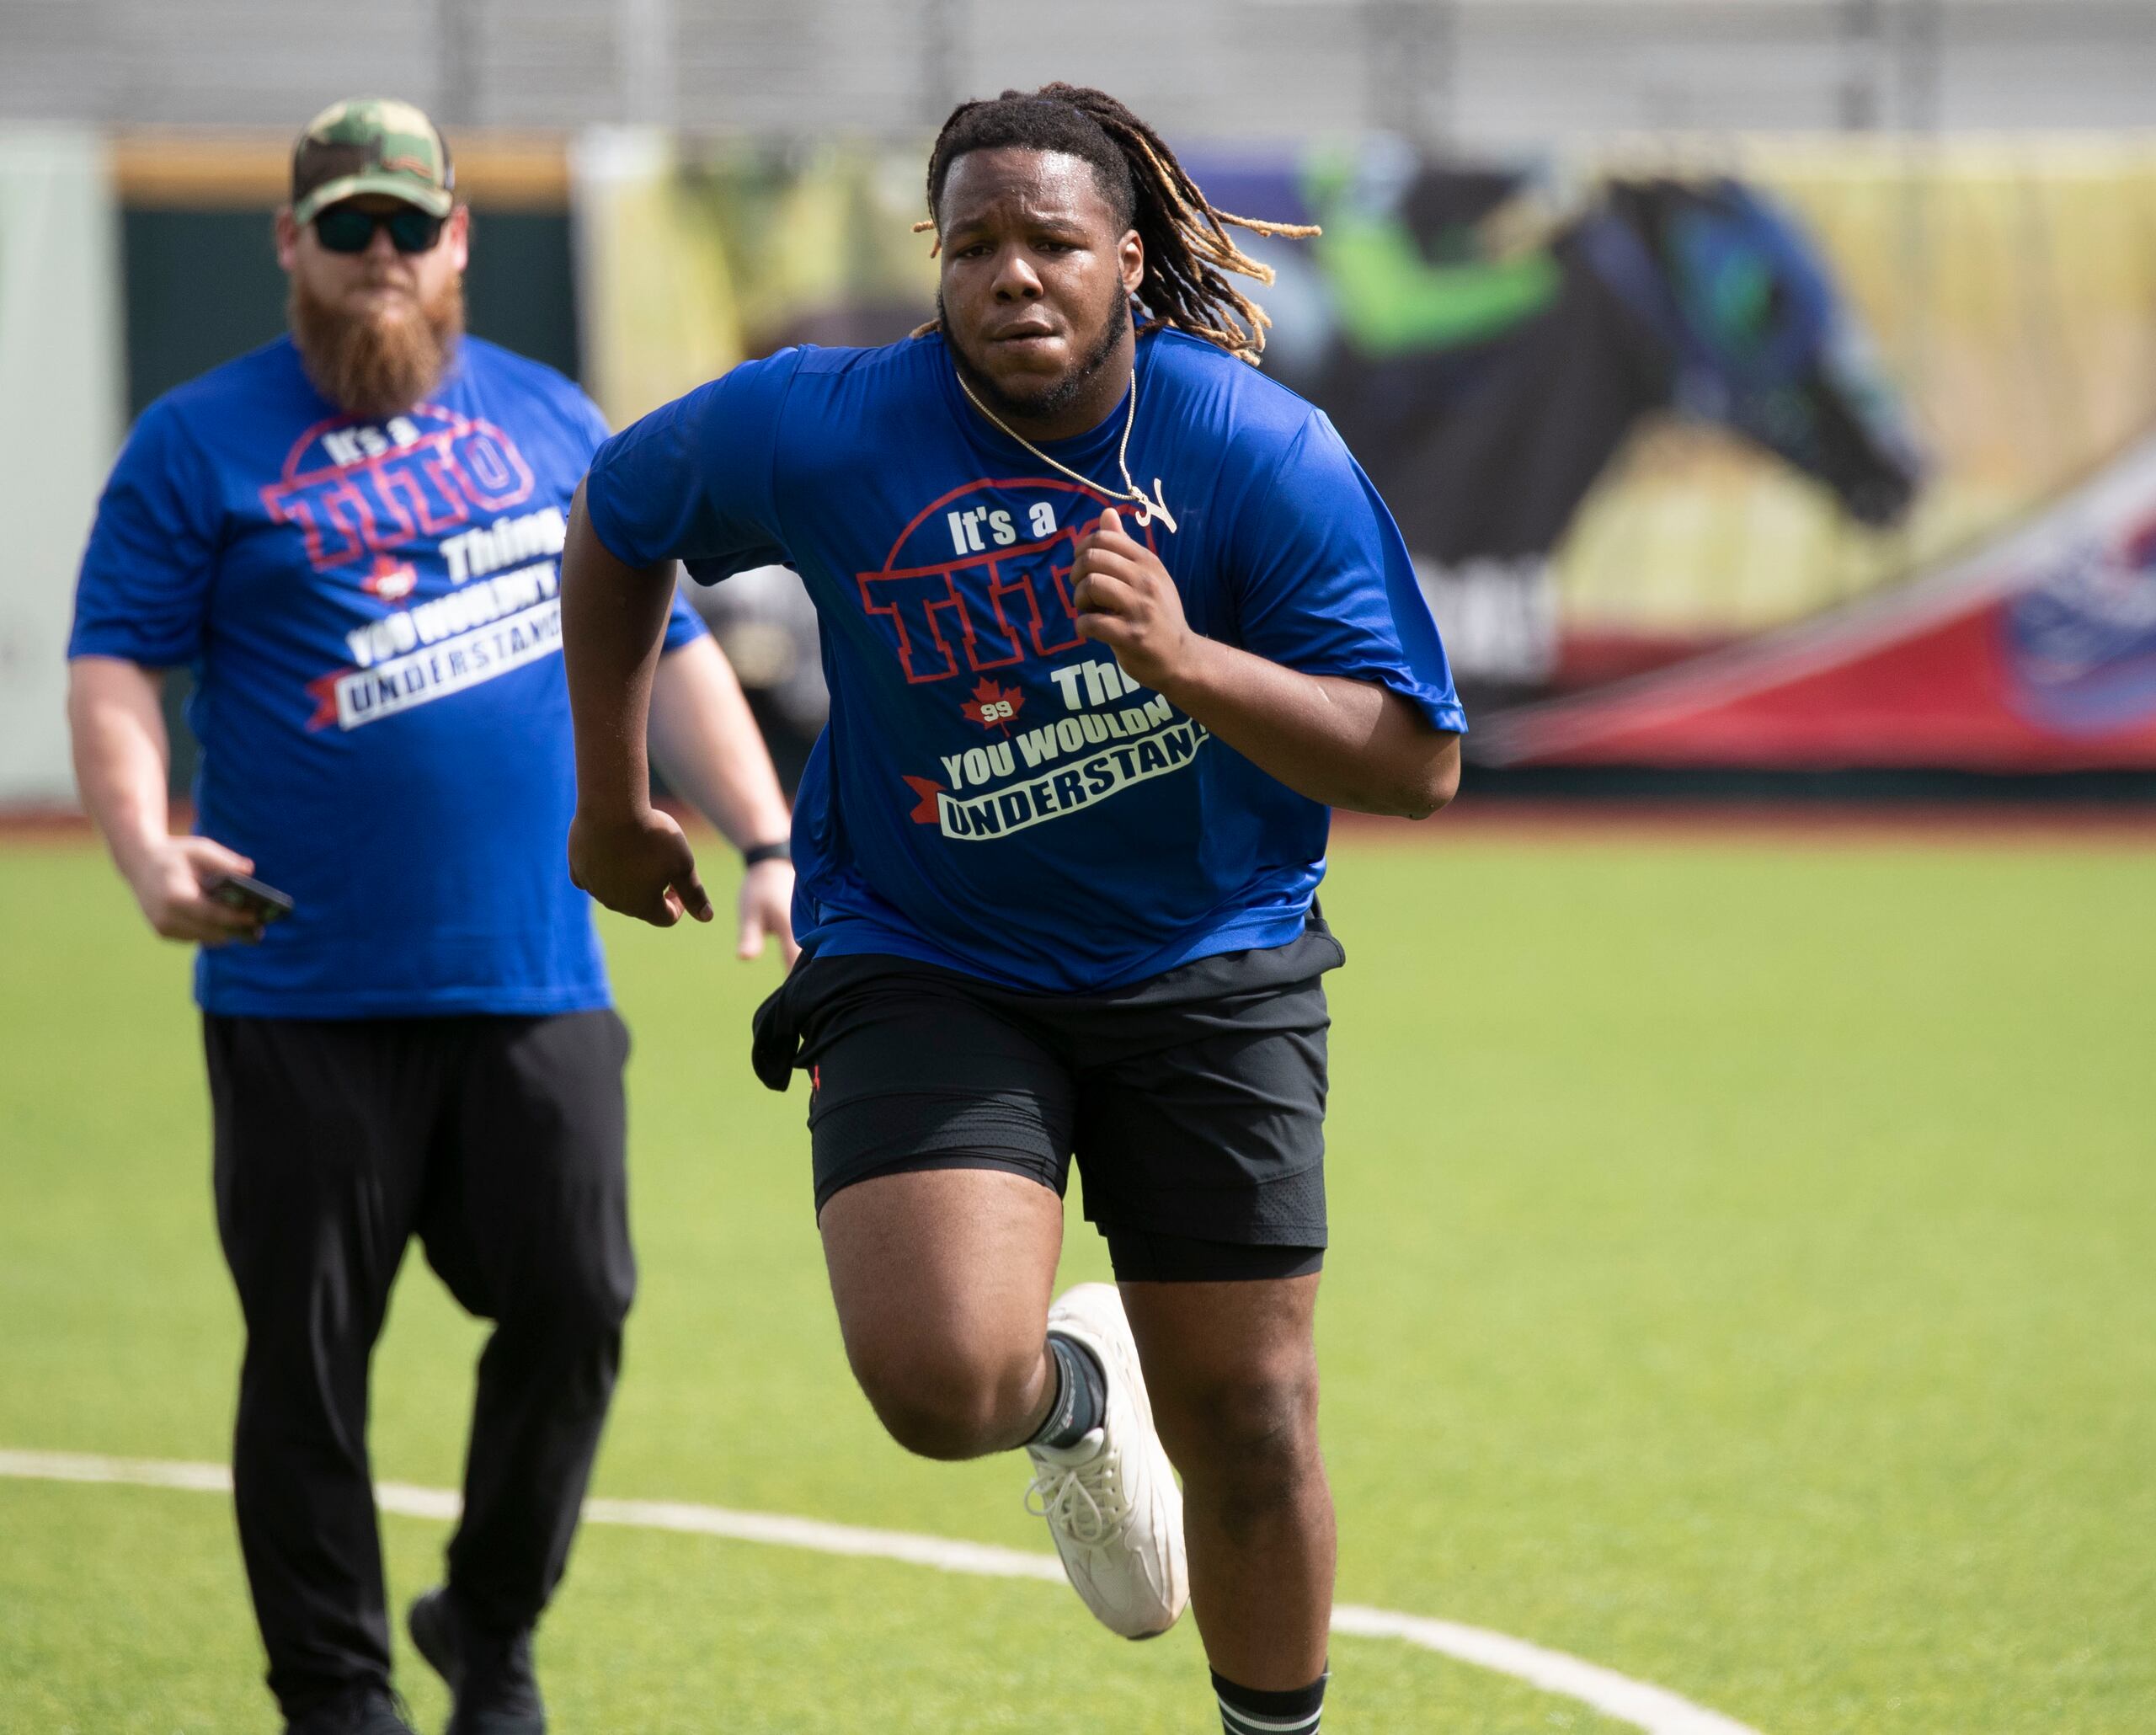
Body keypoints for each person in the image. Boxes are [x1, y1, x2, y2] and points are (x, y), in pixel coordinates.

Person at [560, 83, 1463, 1735]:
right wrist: (611, 792)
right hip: (926, 953)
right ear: (936, 260)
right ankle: (1073, 1393)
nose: (1012, 275)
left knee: (1252, 1420)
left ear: (1126, 257)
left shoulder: (1255, 451)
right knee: (937, 1384)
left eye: (1052, 240)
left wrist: (1185, 661)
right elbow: (621, 513)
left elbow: (1411, 760)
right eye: (972, 243)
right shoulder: (821, 425)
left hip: (1209, 963)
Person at [65, 98, 795, 1735]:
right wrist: (139, 843)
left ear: (461, 239)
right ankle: (337, 1694)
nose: (381, 256)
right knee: (310, 1363)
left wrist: (764, 833)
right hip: (297, 985)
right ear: (291, 246)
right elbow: (117, 660)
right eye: (349, 228)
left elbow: (666, 652)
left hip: (534, 971)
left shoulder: (551, 422)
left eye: (413, 225)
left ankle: (489, 1619)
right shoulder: (197, 444)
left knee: (577, 1302)